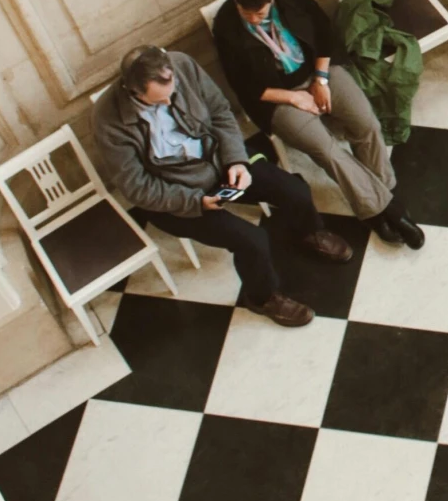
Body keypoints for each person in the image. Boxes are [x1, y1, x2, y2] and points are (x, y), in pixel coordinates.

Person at [93, 45, 349, 328]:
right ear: (134, 93)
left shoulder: (183, 64)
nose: (168, 104)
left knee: (295, 190)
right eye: (158, 101)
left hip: (219, 159)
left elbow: (220, 113)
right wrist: (195, 202)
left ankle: (308, 232)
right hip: (174, 196)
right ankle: (262, 298)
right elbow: (137, 188)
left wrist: (237, 161)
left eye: (172, 93)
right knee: (252, 240)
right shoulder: (108, 119)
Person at [212, 0, 424, 251]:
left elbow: (324, 32)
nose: (252, 19)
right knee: (327, 149)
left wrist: (321, 80)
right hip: (278, 97)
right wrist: (294, 98)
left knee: (367, 124)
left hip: (318, 72)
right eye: (245, 12)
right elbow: (243, 87)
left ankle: (381, 193)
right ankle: (382, 211)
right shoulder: (225, 25)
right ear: (236, 0)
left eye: (259, 13)